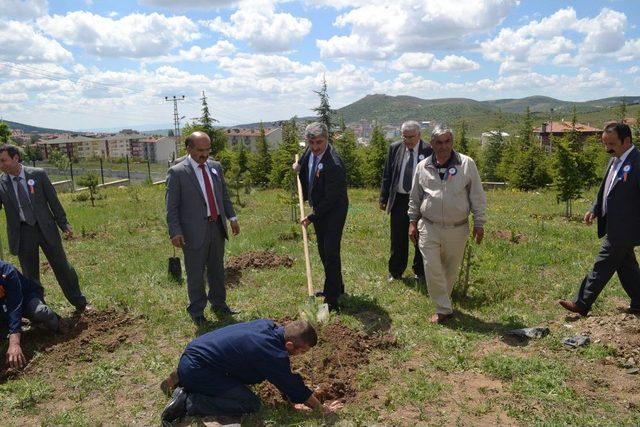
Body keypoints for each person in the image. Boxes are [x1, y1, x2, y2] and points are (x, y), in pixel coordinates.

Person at [159, 319, 342, 425]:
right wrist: (321, 409)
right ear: (289, 345)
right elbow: (290, 383)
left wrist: (293, 402)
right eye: (301, 351)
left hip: (199, 353)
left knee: (235, 374)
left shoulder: (267, 325)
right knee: (250, 403)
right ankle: (190, 401)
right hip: (199, 369)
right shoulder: (270, 352)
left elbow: (280, 375)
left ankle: (184, 377)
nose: (300, 355)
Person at [560, 123, 640, 316]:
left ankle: (582, 303)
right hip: (614, 224)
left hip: (626, 227)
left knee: (603, 264)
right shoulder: (614, 159)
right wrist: (595, 208)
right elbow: (606, 188)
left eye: (611, 143)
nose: (607, 148)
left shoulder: (638, 162)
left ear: (627, 141)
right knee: (625, 265)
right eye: (605, 143)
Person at [408, 124, 486, 323]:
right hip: (429, 226)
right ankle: (443, 309)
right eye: (439, 142)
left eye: (447, 141)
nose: (444, 146)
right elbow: (415, 197)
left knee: (450, 269)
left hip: (457, 227)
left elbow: (477, 195)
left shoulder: (466, 164)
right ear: (432, 144)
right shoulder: (423, 166)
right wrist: (412, 221)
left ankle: (444, 302)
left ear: (452, 142)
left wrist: (479, 222)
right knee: (431, 266)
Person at [0, 144, 90, 313]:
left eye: (3, 160)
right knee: (30, 275)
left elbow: (53, 201)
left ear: (15, 158)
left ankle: (80, 302)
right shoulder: (1, 183)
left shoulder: (38, 175)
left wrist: (63, 224)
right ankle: (40, 312)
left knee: (62, 266)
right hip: (23, 232)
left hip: (45, 228)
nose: (1, 165)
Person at [166, 131, 240, 324]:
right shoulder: (178, 172)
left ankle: (219, 304)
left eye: (208, 149)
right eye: (200, 150)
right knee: (195, 272)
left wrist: (232, 217)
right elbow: (171, 206)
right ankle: (197, 311)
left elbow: (223, 195)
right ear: (189, 149)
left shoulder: (215, 167)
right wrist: (175, 231)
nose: (205, 154)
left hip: (216, 226)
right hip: (192, 231)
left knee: (217, 268)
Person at [293, 122, 348, 312]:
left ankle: (332, 300)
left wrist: (312, 217)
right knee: (324, 251)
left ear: (327, 139)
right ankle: (337, 286)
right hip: (319, 207)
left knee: (331, 252)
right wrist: (298, 165)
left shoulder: (334, 163)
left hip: (333, 210)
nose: (315, 147)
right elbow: (304, 159)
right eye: (312, 142)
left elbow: (332, 199)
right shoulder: (311, 151)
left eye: (319, 142)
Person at [380, 120, 433, 282]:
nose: (408, 141)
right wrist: (384, 197)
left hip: (421, 200)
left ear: (419, 135)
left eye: (411, 137)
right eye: (405, 137)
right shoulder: (395, 148)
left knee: (421, 235)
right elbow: (387, 174)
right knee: (397, 237)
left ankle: (420, 271)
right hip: (399, 199)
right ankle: (395, 271)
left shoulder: (429, 150)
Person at [1, 259, 67, 369]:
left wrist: (14, 343)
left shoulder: (7, 271)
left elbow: (15, 305)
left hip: (25, 300)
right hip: (3, 308)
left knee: (40, 312)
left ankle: (57, 322)